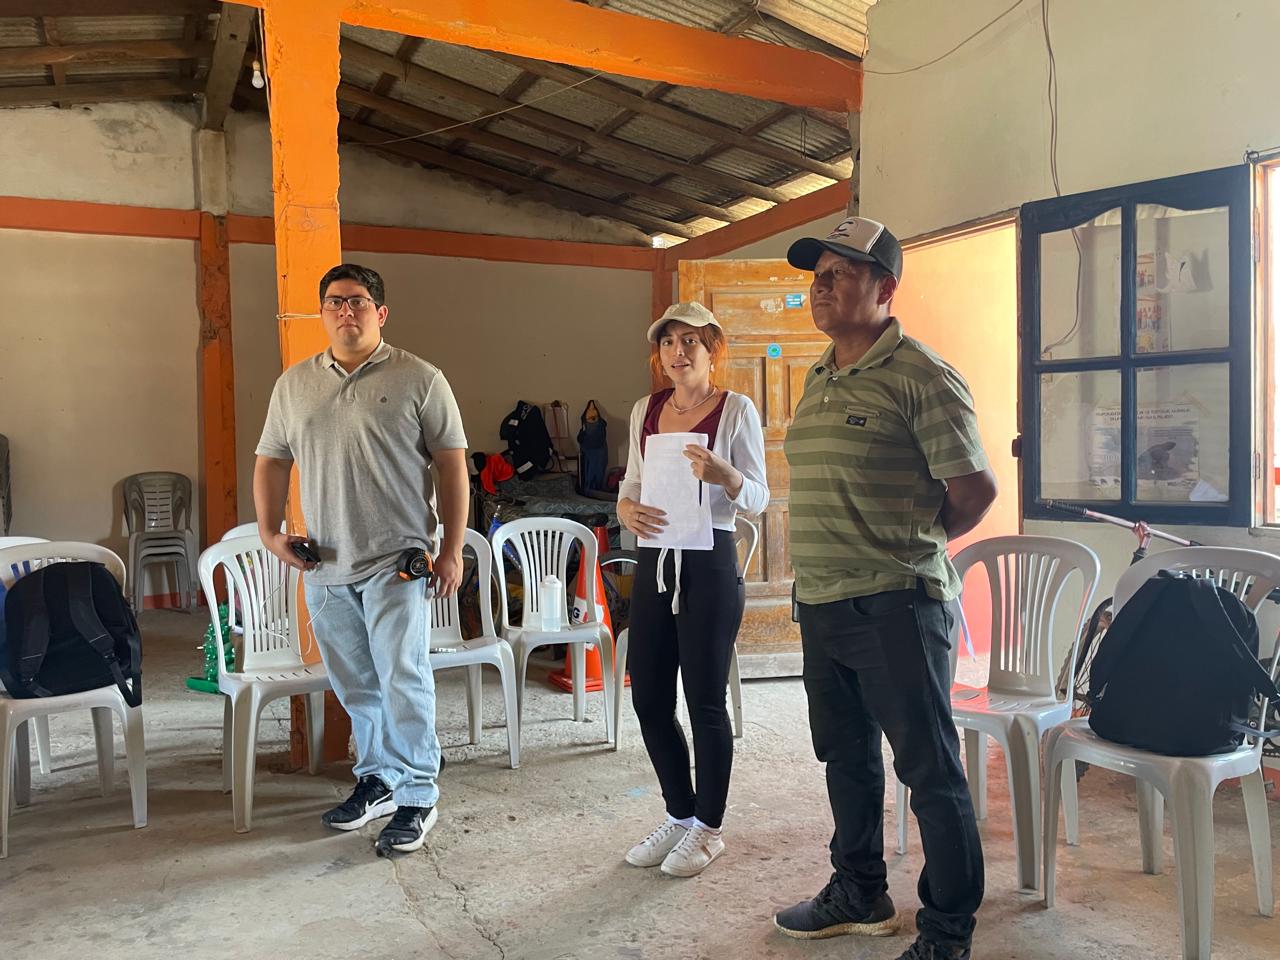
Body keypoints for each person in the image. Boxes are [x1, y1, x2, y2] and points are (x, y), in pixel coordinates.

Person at [774, 218, 997, 960]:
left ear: (885, 289)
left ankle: (947, 933)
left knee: (930, 772)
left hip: (897, 604)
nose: (821, 286)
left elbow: (973, 492)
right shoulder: (819, 375)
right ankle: (859, 891)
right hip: (823, 603)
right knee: (846, 757)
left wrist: (905, 545)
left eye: (840, 272)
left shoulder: (922, 376)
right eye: (817, 274)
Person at [254, 263, 469, 857]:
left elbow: (452, 465)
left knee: (403, 677)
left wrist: (452, 549)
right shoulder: (294, 385)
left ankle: (418, 793)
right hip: (322, 564)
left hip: (396, 560)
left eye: (357, 301)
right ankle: (378, 779)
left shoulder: (420, 378)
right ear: (323, 313)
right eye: (334, 302)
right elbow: (272, 459)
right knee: (355, 684)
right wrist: (270, 533)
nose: (345, 311)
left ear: (381, 312)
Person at [616, 301, 769, 878]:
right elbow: (631, 485)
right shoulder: (646, 410)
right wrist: (626, 509)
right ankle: (680, 815)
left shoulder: (736, 410)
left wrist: (726, 476)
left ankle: (709, 828)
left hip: (708, 566)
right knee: (649, 698)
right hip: (654, 561)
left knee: (704, 701)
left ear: (712, 351)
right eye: (668, 343)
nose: (677, 353)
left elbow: (759, 496)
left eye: (689, 342)